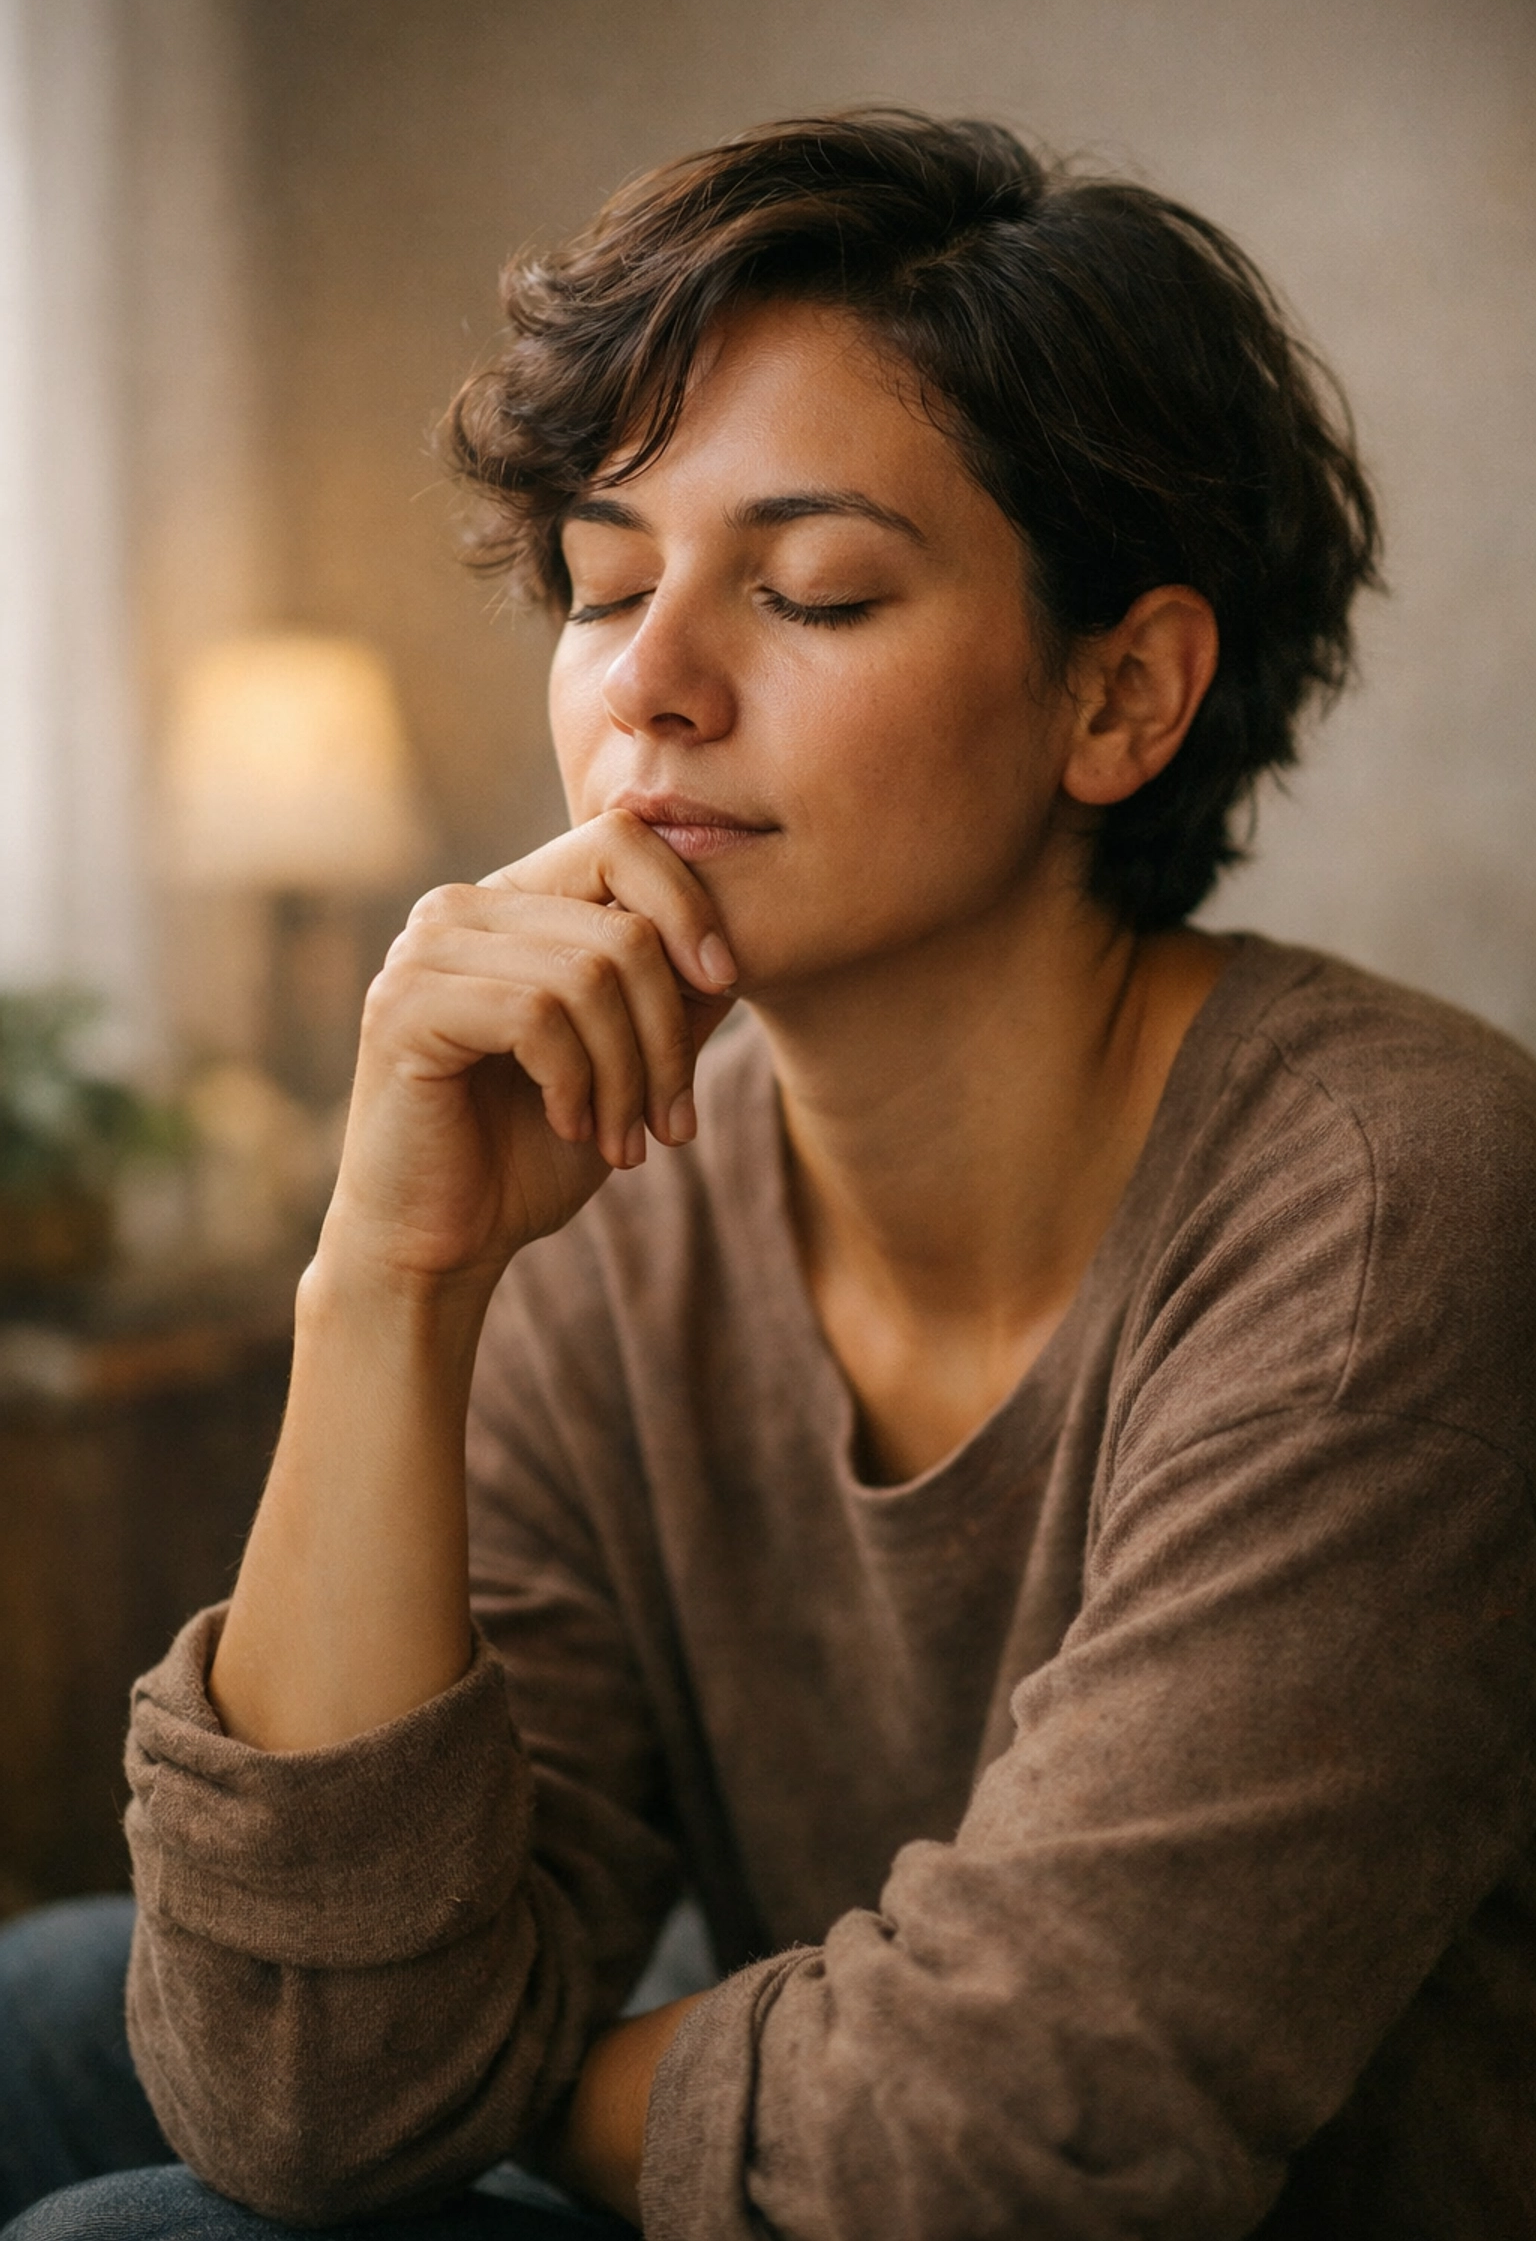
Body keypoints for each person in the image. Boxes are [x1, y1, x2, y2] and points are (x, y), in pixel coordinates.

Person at [5, 108, 1536, 2241]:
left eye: (812, 590)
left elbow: (996, 2146)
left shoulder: (1398, 1203)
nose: (649, 681)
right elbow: (308, 2089)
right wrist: (389, 1280)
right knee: (52, 2007)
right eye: (607, 582)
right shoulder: (605, 1186)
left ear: (1122, 695)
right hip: (810, 2073)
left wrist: (492, 2078)